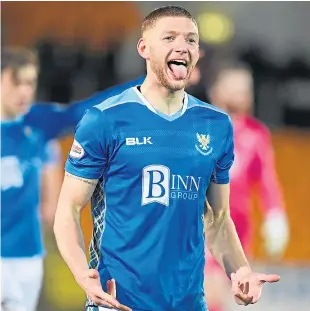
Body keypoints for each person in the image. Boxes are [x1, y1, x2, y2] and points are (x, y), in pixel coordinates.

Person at [54, 6, 281, 311]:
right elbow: (68, 209)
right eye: (169, 37)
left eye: (190, 40)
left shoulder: (215, 126)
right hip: (117, 301)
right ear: (144, 48)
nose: (182, 47)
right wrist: (83, 275)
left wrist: (239, 273)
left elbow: (218, 220)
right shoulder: (104, 120)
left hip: (188, 303)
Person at [1, 47, 145, 311]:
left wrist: (147, 83)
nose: (25, 91)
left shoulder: (38, 122)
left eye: (30, 83)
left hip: (26, 255)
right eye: (16, 82)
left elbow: (85, 110)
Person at [204, 61, 289, 311]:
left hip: (238, 232)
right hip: (199, 227)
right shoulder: (199, 129)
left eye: (245, 89)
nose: (241, 96)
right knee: (209, 293)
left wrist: (275, 216)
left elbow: (267, 183)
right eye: (234, 89)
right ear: (215, 91)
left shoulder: (256, 136)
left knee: (230, 296)